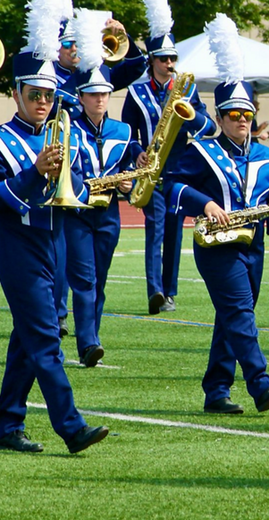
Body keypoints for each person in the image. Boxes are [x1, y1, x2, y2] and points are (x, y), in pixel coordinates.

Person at [165, 14, 269, 415]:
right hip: (216, 244)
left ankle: (216, 390)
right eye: (233, 115)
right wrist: (205, 203)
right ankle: (260, 383)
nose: (242, 122)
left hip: (252, 245)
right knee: (240, 311)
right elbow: (170, 184)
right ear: (220, 117)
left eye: (247, 114)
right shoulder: (203, 149)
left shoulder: (266, 155)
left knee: (232, 316)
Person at [0, 13, 108, 455]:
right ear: (16, 94)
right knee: (46, 337)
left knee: (29, 339)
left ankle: (7, 422)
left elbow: (80, 187)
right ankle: (71, 425)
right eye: (35, 95)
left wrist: (70, 176)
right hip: (15, 242)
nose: (43, 102)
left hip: (55, 239)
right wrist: (34, 173)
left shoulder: (66, 137)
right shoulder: (2, 140)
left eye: (48, 95)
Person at [52, 12, 146, 337]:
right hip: (76, 209)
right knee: (84, 279)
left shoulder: (120, 129)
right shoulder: (65, 105)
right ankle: (87, 342)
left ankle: (90, 336)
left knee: (99, 279)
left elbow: (135, 66)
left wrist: (129, 176)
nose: (101, 98)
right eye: (94, 94)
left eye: (105, 94)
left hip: (108, 211)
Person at [122, 2, 216, 315]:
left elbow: (209, 126)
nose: (169, 63)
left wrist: (188, 115)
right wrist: (137, 153)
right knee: (155, 230)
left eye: (173, 57)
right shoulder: (136, 93)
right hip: (151, 171)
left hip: (179, 171)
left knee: (175, 232)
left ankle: (170, 290)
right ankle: (155, 291)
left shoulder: (187, 90)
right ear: (152, 61)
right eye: (163, 58)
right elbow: (128, 134)